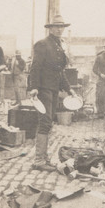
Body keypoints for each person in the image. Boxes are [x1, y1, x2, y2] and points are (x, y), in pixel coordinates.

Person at [29, 15, 77, 171]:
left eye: (61, 26)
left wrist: (69, 89)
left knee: (48, 123)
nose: (59, 29)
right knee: (44, 122)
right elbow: (35, 67)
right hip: (43, 89)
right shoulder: (42, 45)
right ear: (49, 28)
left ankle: (43, 157)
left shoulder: (58, 46)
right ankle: (39, 161)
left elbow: (59, 72)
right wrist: (34, 87)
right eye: (56, 26)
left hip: (54, 89)